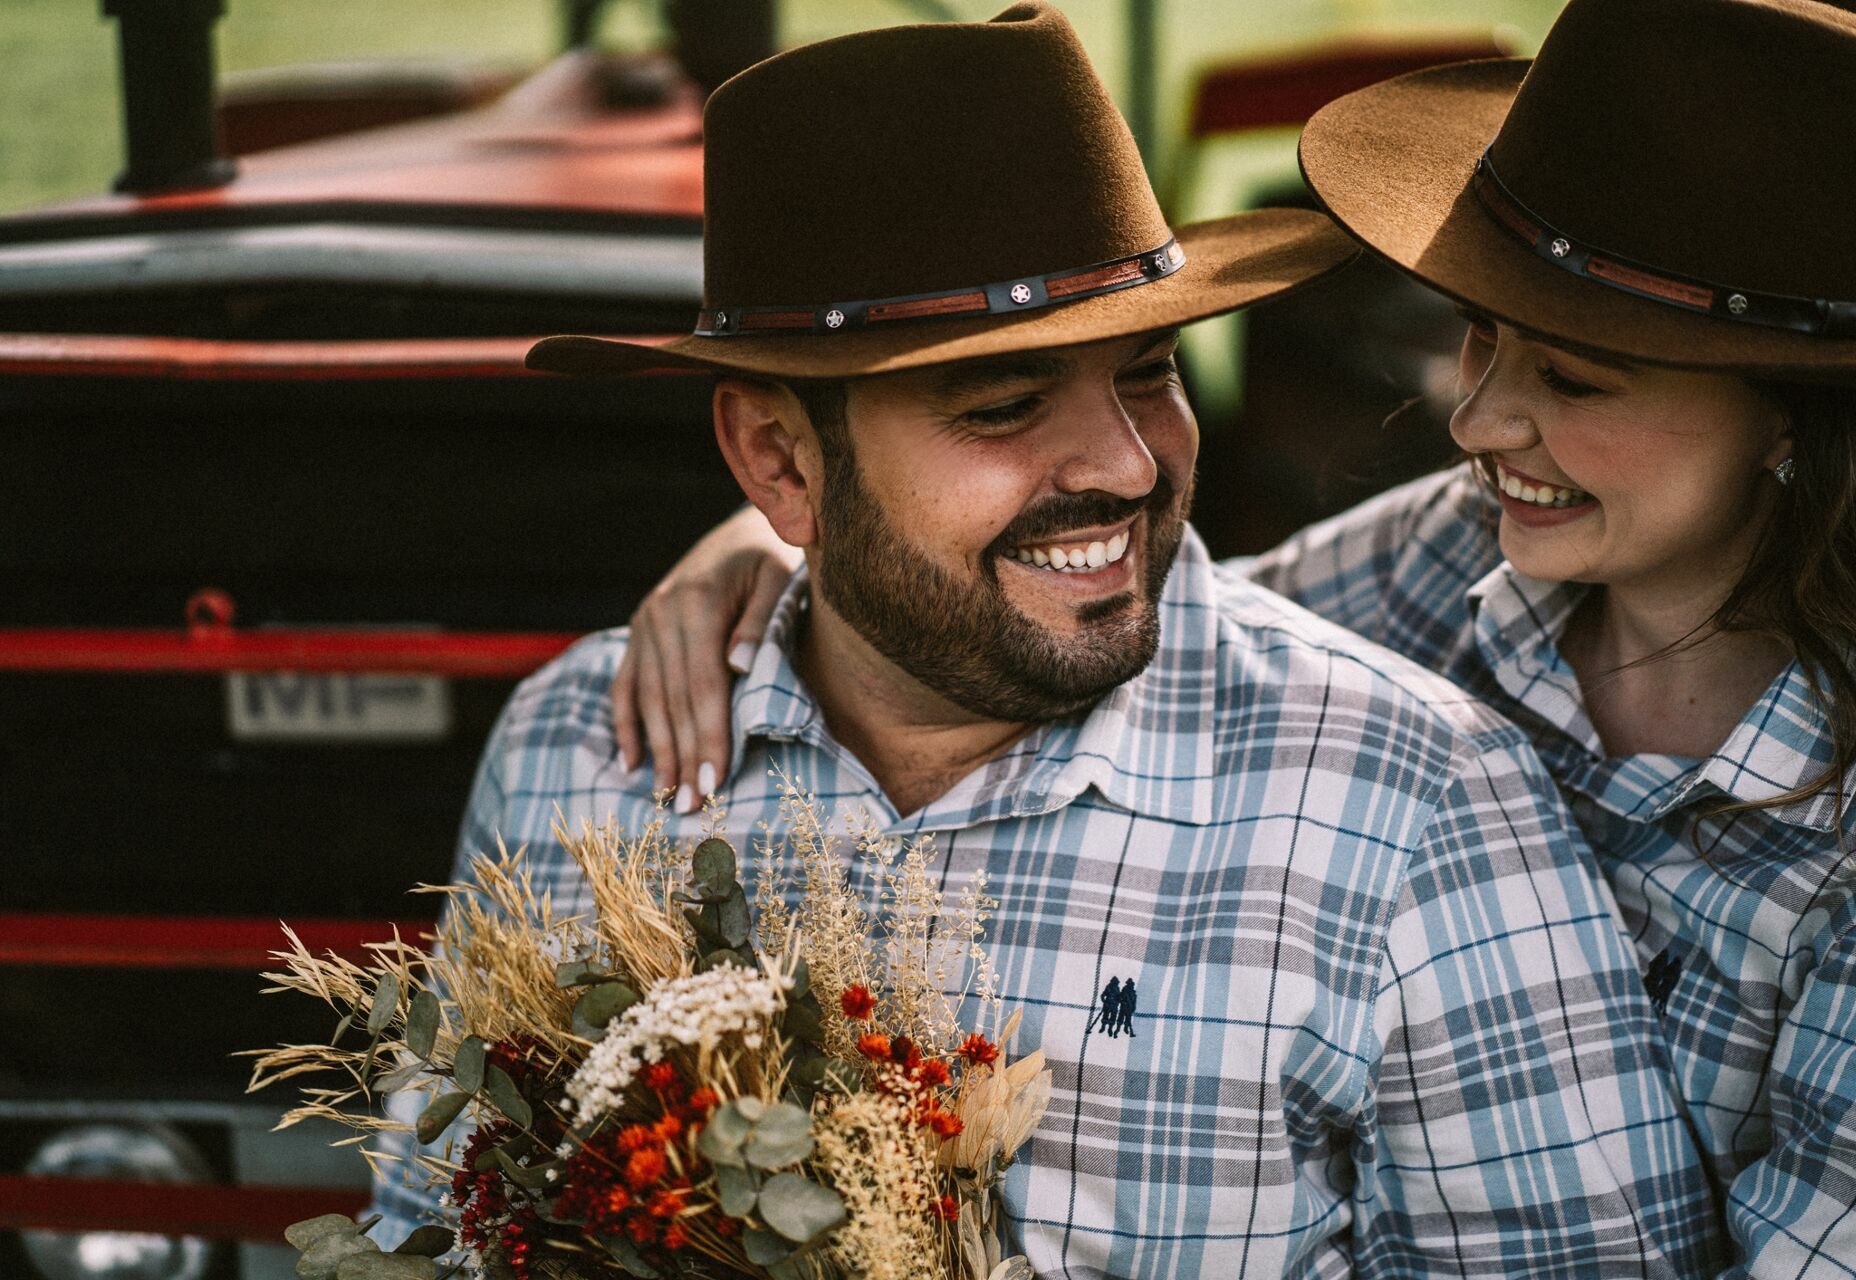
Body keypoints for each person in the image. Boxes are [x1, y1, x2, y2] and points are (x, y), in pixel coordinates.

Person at [376, 5, 1723, 1276]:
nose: (1129, 466)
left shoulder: (1409, 807)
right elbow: (434, 1229)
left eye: (1150, 371)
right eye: (1007, 404)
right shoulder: (577, 751)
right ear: (778, 462)